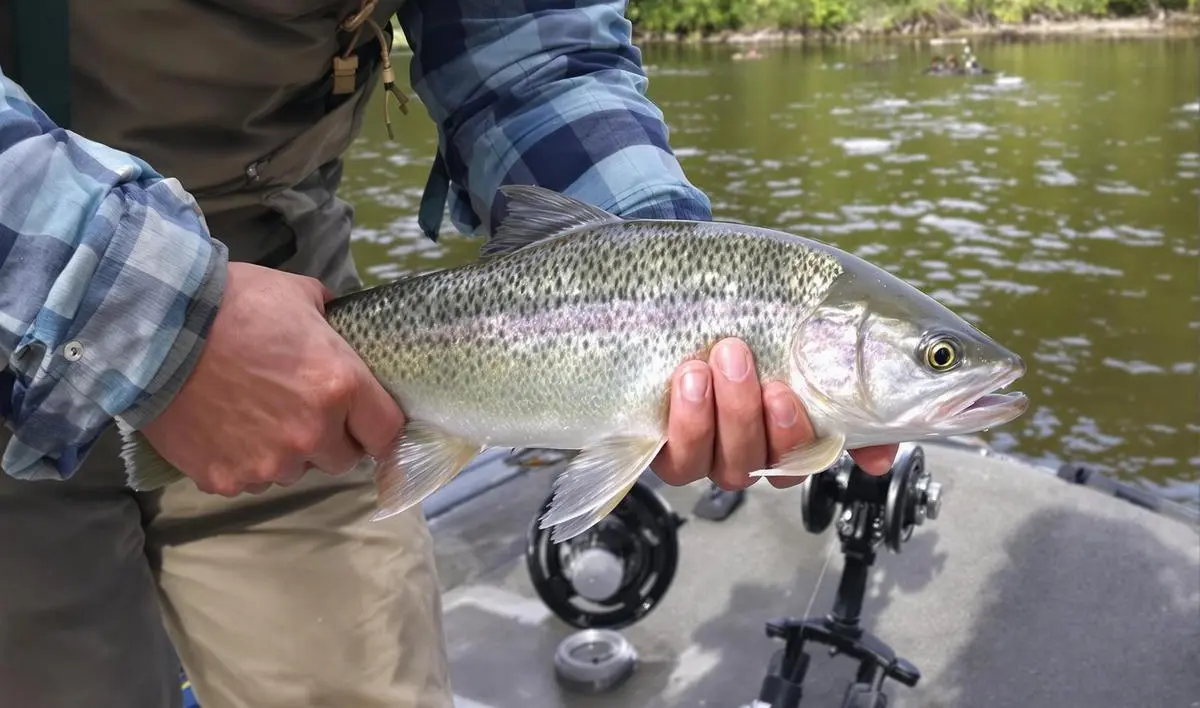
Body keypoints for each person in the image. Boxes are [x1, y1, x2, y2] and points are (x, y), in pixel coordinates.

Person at [0, 1, 898, 706]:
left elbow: (531, 52)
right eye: (935, 360)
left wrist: (648, 277)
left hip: (307, 341)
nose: (951, 374)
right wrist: (154, 305)